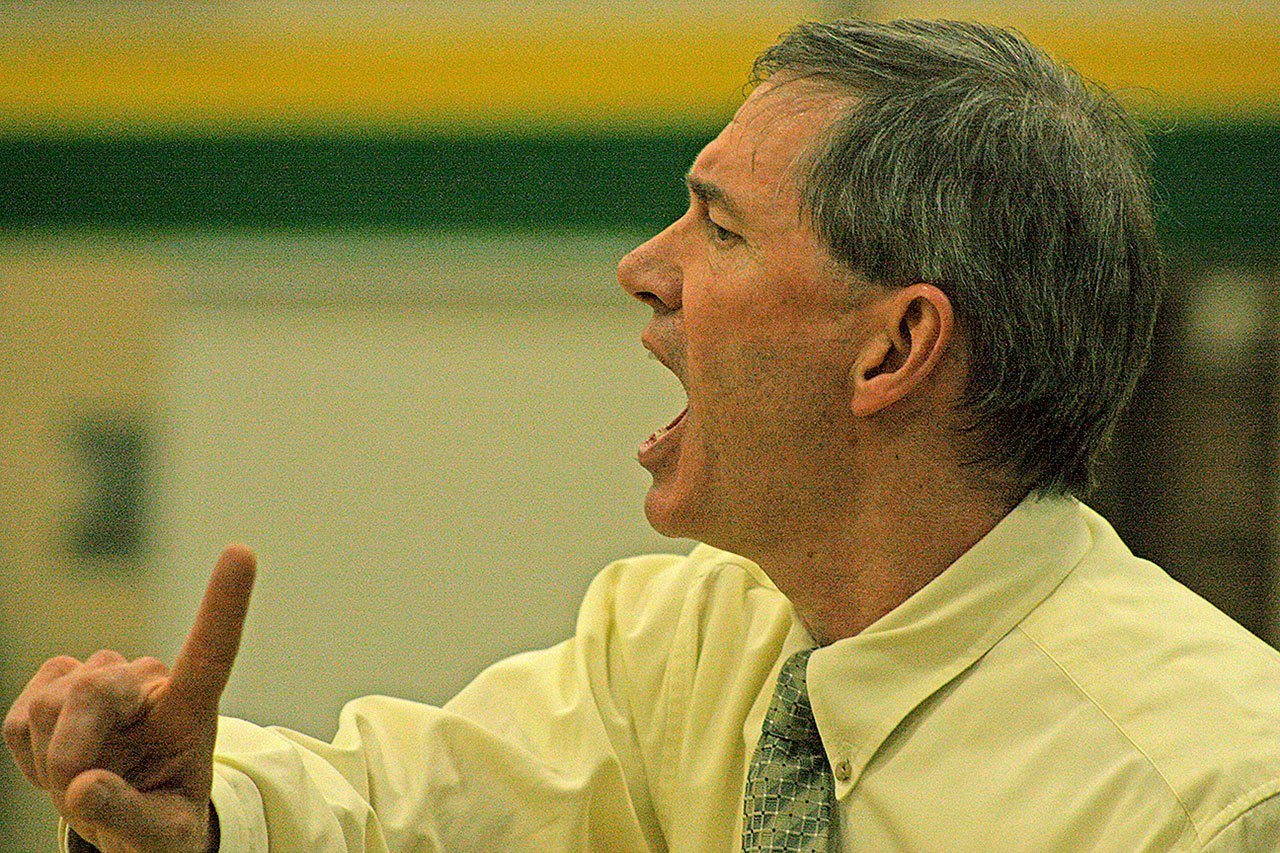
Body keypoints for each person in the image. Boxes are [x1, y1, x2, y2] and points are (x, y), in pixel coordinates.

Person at [7, 18, 1280, 852]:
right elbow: (413, 805)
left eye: (717, 230)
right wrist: (210, 809)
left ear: (893, 348)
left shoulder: (1205, 797)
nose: (639, 268)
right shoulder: (694, 641)